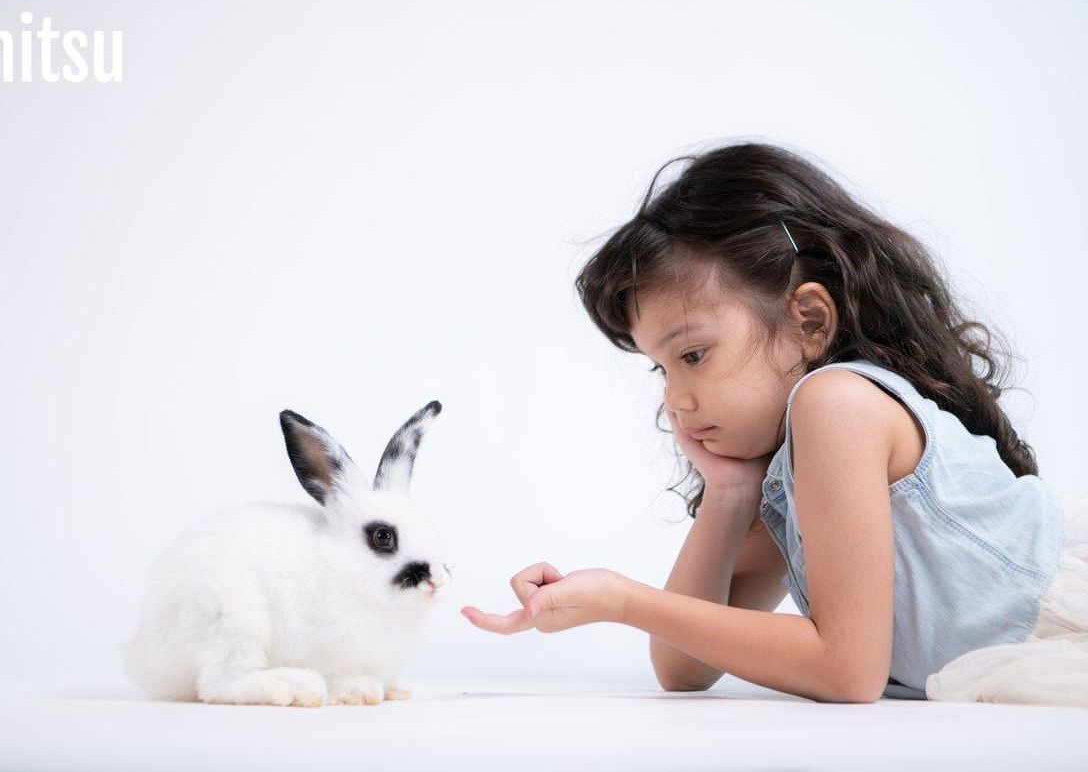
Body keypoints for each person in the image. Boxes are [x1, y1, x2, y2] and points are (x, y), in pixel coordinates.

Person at [460, 141, 1088, 706]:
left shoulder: (836, 404)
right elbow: (685, 668)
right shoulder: (787, 471)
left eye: (694, 355)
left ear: (810, 322)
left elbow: (847, 672)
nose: (676, 399)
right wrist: (730, 495)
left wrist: (625, 602)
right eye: (661, 371)